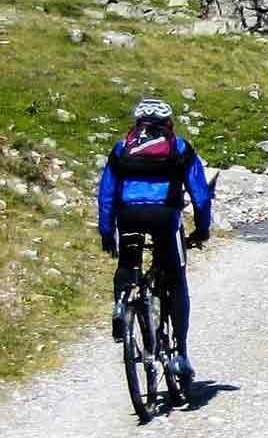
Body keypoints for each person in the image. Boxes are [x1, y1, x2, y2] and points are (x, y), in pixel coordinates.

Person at [96, 98, 214, 383]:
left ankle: (121, 306)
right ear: (168, 122)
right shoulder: (180, 147)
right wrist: (202, 229)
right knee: (175, 280)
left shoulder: (122, 147)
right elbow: (199, 194)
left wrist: (106, 231)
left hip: (128, 216)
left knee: (127, 262)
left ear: (138, 122)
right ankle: (180, 354)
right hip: (164, 217)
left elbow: (106, 192)